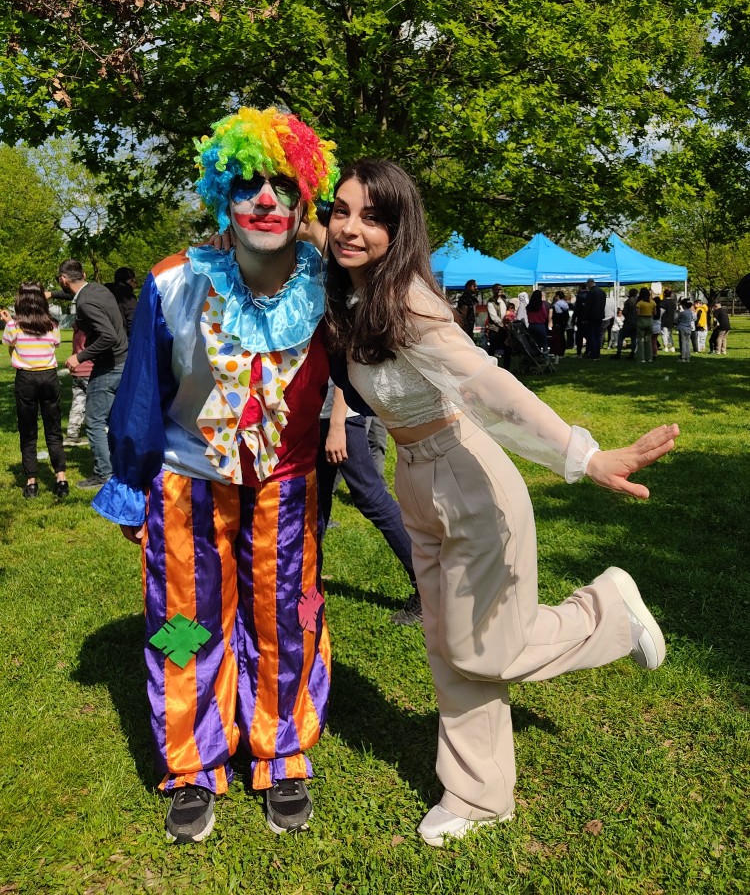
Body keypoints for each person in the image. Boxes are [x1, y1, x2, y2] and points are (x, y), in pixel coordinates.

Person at [324, 159, 678, 847]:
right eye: (340, 210)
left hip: (469, 481)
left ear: (399, 229)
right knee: (447, 645)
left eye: (371, 217)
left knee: (481, 647)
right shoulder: (351, 290)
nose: (349, 227)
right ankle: (480, 794)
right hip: (417, 480)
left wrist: (585, 455)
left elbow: (491, 388)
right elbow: (296, 230)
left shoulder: (408, 304)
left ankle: (605, 610)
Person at [91, 107, 338, 843]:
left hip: (287, 487)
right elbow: (139, 394)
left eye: (282, 185)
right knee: (182, 628)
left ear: (304, 200)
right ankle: (193, 764)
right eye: (248, 183)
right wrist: (132, 487)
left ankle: (281, 752)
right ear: (220, 192)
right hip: (185, 486)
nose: (265, 199)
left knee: (284, 622)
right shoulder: (174, 282)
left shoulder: (332, 284)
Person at [318, 381, 421, 625]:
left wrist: (336, 426)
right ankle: (306, 581)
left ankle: (427, 587)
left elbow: (340, 362)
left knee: (371, 498)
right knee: (315, 502)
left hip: (338, 418)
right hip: (319, 415)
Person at [57, 259, 128, 489]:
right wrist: (53, 293)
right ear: (84, 274)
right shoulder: (98, 289)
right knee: (115, 419)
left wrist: (79, 356)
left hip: (108, 366)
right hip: (124, 361)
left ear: (63, 279)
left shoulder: (86, 303)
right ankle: (121, 467)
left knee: (95, 421)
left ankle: (103, 474)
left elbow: (108, 337)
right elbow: (76, 295)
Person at [1, 283, 68, 499]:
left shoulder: (14, 325)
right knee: (54, 428)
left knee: (28, 430)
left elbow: (10, 345)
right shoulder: (53, 324)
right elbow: (54, 346)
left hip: (26, 379)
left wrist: (8, 321)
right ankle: (61, 478)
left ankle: (31, 482)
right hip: (49, 376)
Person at [105, 267, 138, 337]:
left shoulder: (104, 292)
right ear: (130, 280)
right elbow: (132, 321)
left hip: (102, 337)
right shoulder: (129, 297)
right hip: (121, 339)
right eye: (135, 281)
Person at [584, 278, 606, 360]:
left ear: (589, 283)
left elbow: (588, 306)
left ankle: (593, 353)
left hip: (591, 317)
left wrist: (585, 317)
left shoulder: (591, 293)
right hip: (600, 316)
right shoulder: (602, 292)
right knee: (598, 335)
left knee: (592, 335)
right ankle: (597, 353)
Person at [614, 289, 639, 359]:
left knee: (621, 337)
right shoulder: (638, 301)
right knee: (633, 338)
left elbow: (624, 312)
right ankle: (632, 353)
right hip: (636, 322)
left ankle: (618, 352)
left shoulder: (628, 301)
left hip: (628, 322)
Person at [485, 284, 507, 357]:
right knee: (492, 348)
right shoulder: (491, 302)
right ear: (493, 291)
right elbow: (493, 317)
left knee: (506, 347)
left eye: (500, 289)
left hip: (504, 328)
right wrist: (502, 324)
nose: (499, 291)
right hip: (494, 329)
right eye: (497, 289)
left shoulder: (504, 301)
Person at [635, 287, 656, 363]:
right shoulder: (652, 302)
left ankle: (641, 358)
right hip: (650, 321)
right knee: (648, 340)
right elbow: (655, 313)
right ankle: (649, 358)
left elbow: (638, 313)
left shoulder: (639, 303)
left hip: (641, 321)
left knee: (640, 340)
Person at [526, 289, 549, 354]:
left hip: (531, 325)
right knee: (544, 342)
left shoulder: (529, 306)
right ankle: (545, 357)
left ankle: (535, 356)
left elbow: (528, 314)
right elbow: (545, 314)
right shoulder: (541, 305)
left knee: (533, 343)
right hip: (540, 325)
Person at [549, 290, 569, 358]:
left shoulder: (556, 304)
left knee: (558, 338)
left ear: (557, 296)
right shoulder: (565, 303)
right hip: (564, 323)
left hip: (558, 323)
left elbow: (558, 314)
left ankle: (558, 352)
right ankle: (562, 352)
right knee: (562, 337)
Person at [571, 284, 588, 356]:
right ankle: (588, 350)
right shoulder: (590, 295)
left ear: (580, 288)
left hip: (580, 318)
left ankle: (579, 352)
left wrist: (573, 319)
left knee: (579, 336)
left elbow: (576, 309)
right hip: (589, 318)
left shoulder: (579, 296)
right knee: (588, 336)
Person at [660, 289, 677, 353]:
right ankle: (672, 347)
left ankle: (666, 347)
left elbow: (661, 311)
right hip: (671, 320)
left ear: (664, 294)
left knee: (664, 334)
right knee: (670, 334)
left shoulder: (663, 301)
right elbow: (675, 312)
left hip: (664, 320)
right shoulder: (673, 302)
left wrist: (659, 318)